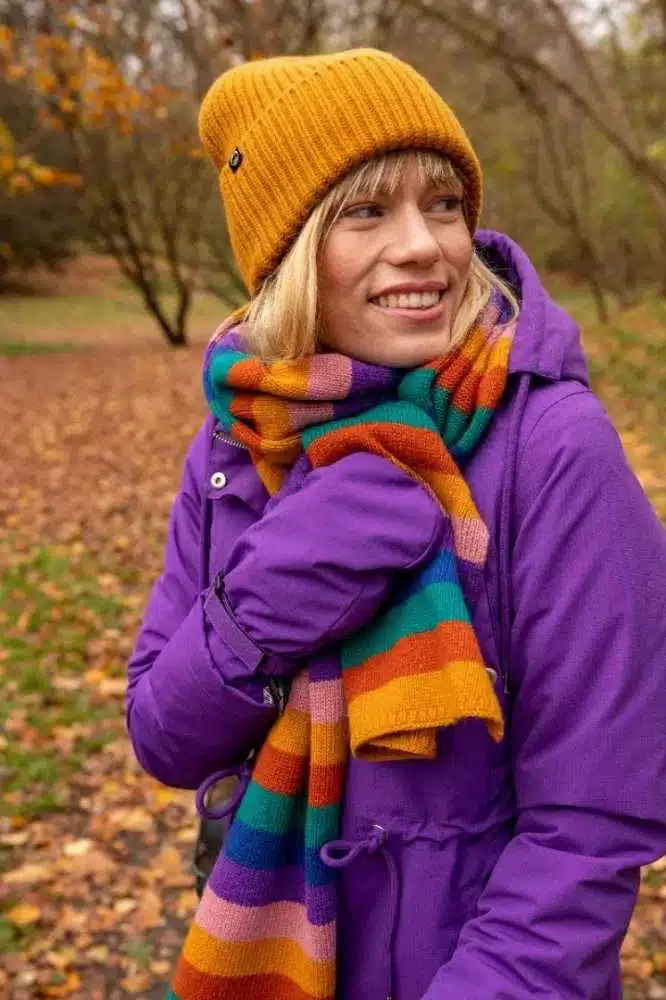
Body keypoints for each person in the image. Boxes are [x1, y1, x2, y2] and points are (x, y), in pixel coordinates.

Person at [126, 48, 666, 1000]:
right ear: (288, 255)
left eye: (444, 203)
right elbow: (164, 737)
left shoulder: (553, 447)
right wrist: (268, 599)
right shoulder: (238, 440)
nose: (425, 245)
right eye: (366, 211)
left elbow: (592, 829)